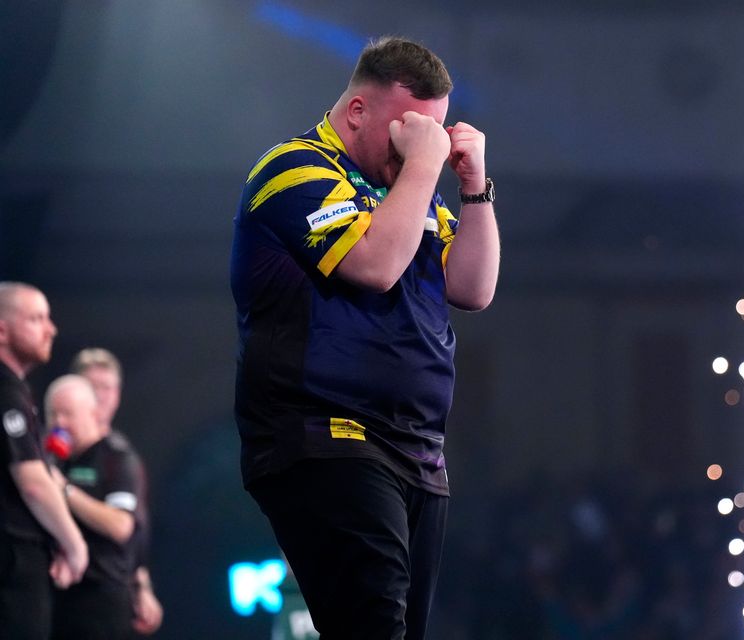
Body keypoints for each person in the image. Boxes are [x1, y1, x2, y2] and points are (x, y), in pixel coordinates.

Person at [230, 36, 500, 639]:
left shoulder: (410, 191)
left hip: (418, 448)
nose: (421, 147)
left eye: (434, 133)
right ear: (358, 112)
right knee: (374, 627)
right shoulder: (292, 169)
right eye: (411, 131)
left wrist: (474, 186)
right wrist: (427, 166)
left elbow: (474, 287)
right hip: (327, 435)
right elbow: (374, 267)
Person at [0, 281, 88, 640]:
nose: (50, 328)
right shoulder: (5, 391)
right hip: (12, 566)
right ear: (2, 329)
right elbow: (34, 483)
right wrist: (74, 544)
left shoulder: (15, 391)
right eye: (36, 318)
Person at [45, 374, 146, 640]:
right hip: (59, 597)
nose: (58, 423)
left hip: (102, 599)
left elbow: (121, 525)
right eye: (52, 414)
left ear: (91, 413)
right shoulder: (52, 461)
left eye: (66, 414)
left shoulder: (116, 458)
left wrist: (64, 490)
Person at [71, 347, 164, 635]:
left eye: (107, 387)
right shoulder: (50, 452)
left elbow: (131, 529)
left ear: (118, 394)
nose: (100, 395)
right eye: (91, 387)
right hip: (61, 591)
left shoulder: (122, 456)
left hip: (108, 593)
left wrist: (143, 587)